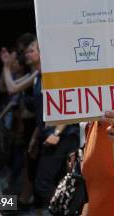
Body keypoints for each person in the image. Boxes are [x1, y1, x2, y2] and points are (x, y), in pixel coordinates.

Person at [26, 38, 80, 212]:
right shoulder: (38, 77)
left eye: (32, 50)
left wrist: (57, 132)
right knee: (55, 180)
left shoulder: (55, 75)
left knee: (43, 183)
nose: (28, 54)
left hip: (63, 135)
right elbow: (43, 111)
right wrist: (35, 137)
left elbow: (68, 104)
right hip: (47, 134)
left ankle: (68, 210)